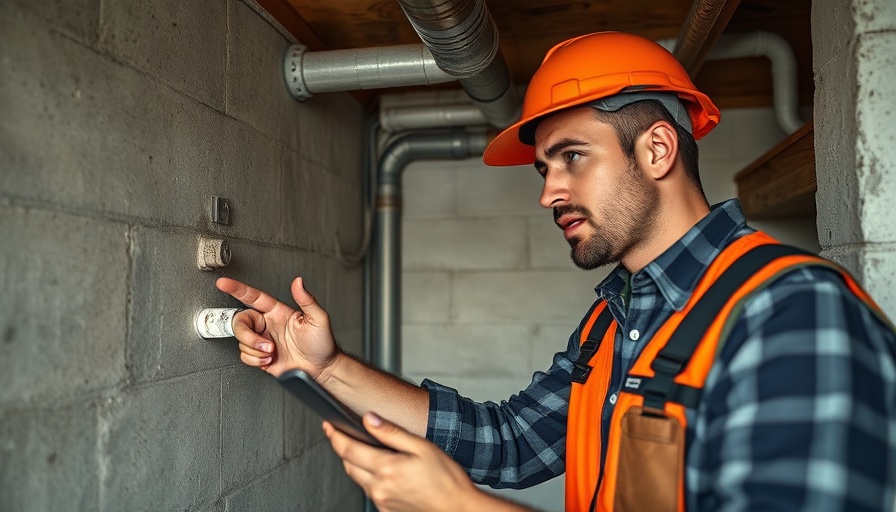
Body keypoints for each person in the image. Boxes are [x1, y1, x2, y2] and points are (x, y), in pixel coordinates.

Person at [216, 31, 896, 512]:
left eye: (573, 157)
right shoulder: (616, 317)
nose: (547, 192)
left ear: (657, 148)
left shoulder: (793, 313)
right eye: (545, 169)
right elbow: (510, 444)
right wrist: (326, 365)